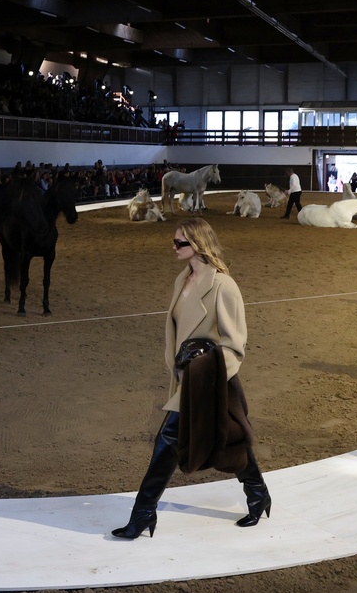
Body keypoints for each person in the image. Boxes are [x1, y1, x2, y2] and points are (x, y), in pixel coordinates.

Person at [111, 218, 270, 539]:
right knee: (226, 441)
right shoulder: (182, 279)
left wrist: (204, 373)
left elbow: (235, 343)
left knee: (168, 442)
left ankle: (142, 515)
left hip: (208, 382)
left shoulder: (223, 286)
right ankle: (258, 492)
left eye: (180, 243)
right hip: (184, 378)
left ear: (198, 245)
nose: (174, 248)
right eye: (174, 242)